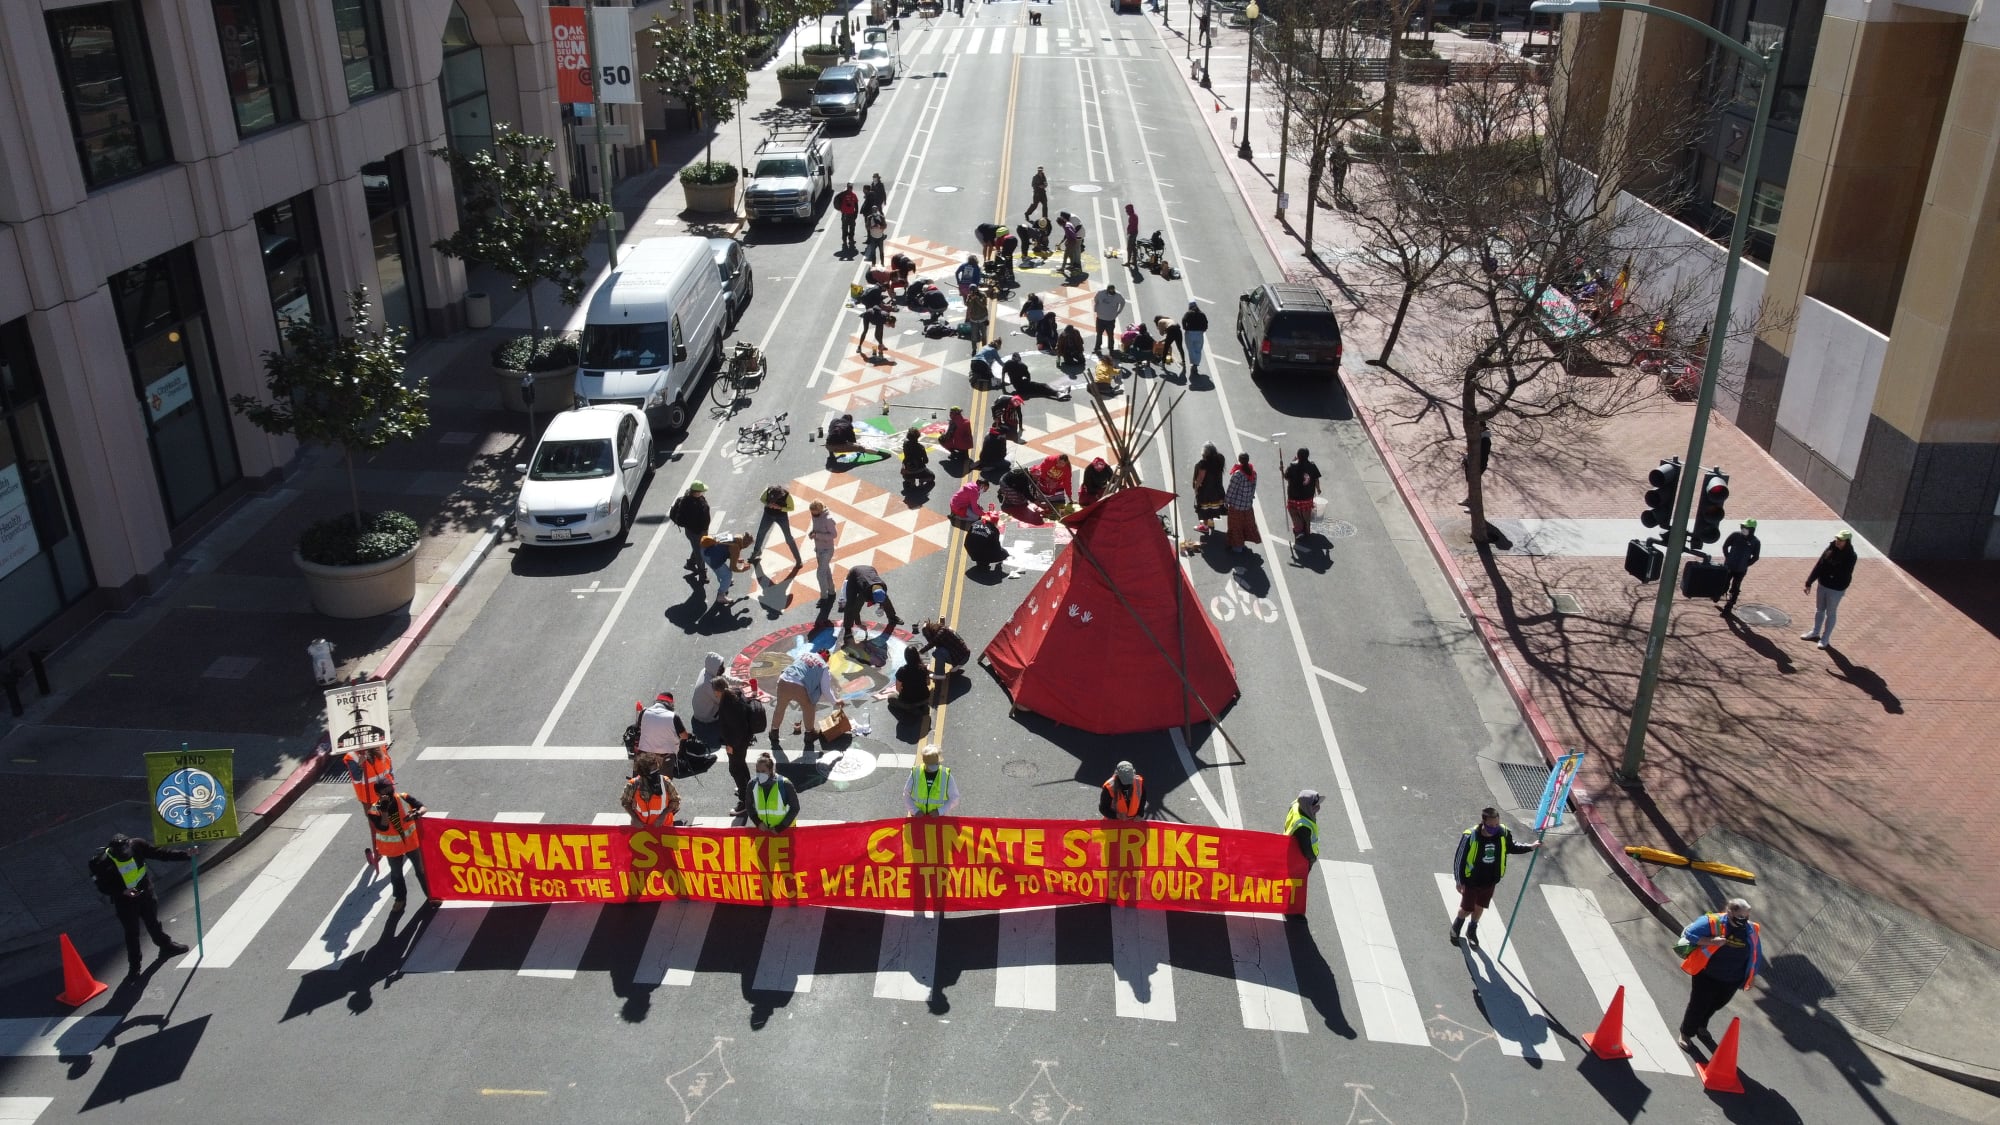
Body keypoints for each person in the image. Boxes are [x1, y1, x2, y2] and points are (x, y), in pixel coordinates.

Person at [90, 833, 193, 979]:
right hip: (124, 902)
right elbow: (102, 887)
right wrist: (122, 891)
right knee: (132, 933)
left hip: (145, 893)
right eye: (121, 854)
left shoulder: (137, 845)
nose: (125, 855)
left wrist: (186, 854)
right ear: (112, 851)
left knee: (153, 923)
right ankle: (134, 966)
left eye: (127, 852)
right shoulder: (101, 863)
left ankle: (165, 945)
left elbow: (161, 854)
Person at [1675, 898, 1765, 1051]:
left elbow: (1756, 953)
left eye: (1746, 916)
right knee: (1698, 1005)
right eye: (1740, 916)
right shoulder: (1712, 922)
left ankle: (1701, 1026)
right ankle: (1686, 1033)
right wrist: (1711, 941)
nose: (1743, 920)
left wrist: (1753, 975)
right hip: (1707, 975)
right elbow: (1689, 934)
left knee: (1716, 1004)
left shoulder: (1751, 929)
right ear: (1729, 912)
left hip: (1732, 980)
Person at [1449, 807, 1540, 947]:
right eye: (1491, 825)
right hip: (1472, 881)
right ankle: (1456, 926)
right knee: (1467, 908)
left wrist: (1530, 847)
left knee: (1480, 907)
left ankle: (1471, 930)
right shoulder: (1470, 836)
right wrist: (1459, 881)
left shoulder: (1503, 833)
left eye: (1496, 824)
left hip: (1490, 881)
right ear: (1483, 822)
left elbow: (1512, 847)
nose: (1494, 827)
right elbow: (1459, 860)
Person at [366, 779, 429, 909]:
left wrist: (417, 813)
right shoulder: (374, 810)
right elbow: (383, 827)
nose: (390, 791)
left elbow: (423, 807)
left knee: (421, 870)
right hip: (393, 849)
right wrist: (384, 811)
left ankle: (431, 894)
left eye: (391, 788)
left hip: (411, 843)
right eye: (385, 791)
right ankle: (400, 898)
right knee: (396, 874)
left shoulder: (404, 797)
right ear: (378, 794)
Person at [771, 650, 835, 750]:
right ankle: (809, 734)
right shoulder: (824, 667)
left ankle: (774, 732)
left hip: (784, 679)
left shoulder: (805, 654)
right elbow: (826, 690)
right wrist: (836, 702)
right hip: (799, 685)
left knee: (780, 708)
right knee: (809, 707)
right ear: (827, 659)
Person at [1802, 530, 1856, 648]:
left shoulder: (1851, 556)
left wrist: (1831, 569)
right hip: (1823, 585)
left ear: (1847, 541)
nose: (1838, 542)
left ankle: (1825, 638)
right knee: (1819, 609)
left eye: (1841, 540)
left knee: (1831, 613)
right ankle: (1815, 632)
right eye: (1837, 539)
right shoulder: (1830, 549)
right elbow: (1819, 565)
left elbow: (1844, 572)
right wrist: (1809, 581)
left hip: (1836, 589)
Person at [714, 677, 757, 816]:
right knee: (741, 764)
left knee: (735, 769)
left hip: (736, 743)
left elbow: (736, 727)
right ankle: (748, 788)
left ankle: (744, 801)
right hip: (744, 740)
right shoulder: (736, 694)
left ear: (717, 691)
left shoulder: (727, 704)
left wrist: (731, 744)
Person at [841, 562, 901, 643]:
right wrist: (859, 624)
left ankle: (892, 617)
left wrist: (881, 606)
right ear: (871, 596)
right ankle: (847, 630)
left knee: (886, 600)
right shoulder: (864, 590)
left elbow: (883, 599)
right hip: (854, 576)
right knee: (851, 604)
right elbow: (856, 609)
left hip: (869, 570)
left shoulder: (883, 587)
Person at [622, 752, 681, 829]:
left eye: (657, 768)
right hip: (641, 828)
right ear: (643, 773)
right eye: (653, 770)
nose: (656, 772)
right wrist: (634, 819)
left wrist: (663, 816)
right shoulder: (633, 785)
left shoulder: (665, 782)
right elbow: (625, 802)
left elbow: (676, 800)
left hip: (664, 827)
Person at [634, 690, 692, 766]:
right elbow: (684, 736)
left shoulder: (644, 712)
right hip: (667, 756)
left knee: (642, 775)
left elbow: (638, 728)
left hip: (645, 753)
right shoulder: (674, 716)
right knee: (665, 775)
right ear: (670, 704)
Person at [750, 483, 802, 566]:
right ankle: (756, 552)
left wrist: (780, 508)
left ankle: (798, 560)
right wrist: (768, 504)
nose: (773, 501)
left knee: (788, 538)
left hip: (781, 517)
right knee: (761, 533)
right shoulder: (768, 490)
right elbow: (762, 499)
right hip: (768, 515)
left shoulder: (787, 496)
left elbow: (791, 508)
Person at [668, 480, 712, 577]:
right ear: (695, 492)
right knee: (700, 552)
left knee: (699, 548)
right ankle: (702, 573)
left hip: (700, 531)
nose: (702, 493)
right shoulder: (689, 504)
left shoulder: (697, 499)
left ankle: (691, 563)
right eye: (701, 491)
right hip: (695, 532)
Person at [748, 752, 800, 833]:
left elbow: (795, 808)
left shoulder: (785, 784)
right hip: (764, 832)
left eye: (763, 771)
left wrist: (780, 828)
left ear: (770, 770)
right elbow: (749, 806)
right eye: (757, 771)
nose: (759, 774)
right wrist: (758, 823)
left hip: (785, 831)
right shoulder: (752, 784)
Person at [1719, 518, 1761, 613]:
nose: (1743, 529)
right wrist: (1728, 557)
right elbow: (1725, 546)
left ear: (1752, 530)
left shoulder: (1755, 542)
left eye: (1746, 527)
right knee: (1724, 583)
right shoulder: (1735, 535)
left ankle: (1729, 605)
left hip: (1740, 570)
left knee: (1735, 587)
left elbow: (1756, 557)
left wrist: (1746, 563)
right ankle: (1718, 593)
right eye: (1742, 527)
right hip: (1729, 566)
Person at [701, 531, 753, 604]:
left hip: (705, 549)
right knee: (728, 575)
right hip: (710, 556)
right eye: (748, 545)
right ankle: (721, 595)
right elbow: (733, 568)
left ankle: (724, 582)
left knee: (721, 570)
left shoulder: (732, 536)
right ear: (746, 544)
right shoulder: (736, 547)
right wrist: (743, 569)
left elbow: (724, 549)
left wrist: (736, 559)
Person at [905, 747, 960, 815]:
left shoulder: (946, 775)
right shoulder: (915, 773)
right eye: (929, 764)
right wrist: (915, 811)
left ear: (938, 760)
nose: (932, 768)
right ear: (923, 761)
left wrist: (940, 811)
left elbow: (954, 798)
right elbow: (906, 794)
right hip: (918, 818)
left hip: (939, 818)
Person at [1225, 453, 1261, 553]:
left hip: (1236, 506)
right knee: (1245, 525)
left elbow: (1231, 490)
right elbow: (1253, 488)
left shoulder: (1238, 474)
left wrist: (1226, 501)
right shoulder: (1253, 472)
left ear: (1239, 460)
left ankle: (1237, 546)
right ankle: (1242, 543)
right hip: (1247, 506)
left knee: (1235, 526)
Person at [1282, 448, 1321, 538]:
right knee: (1306, 516)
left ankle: (1299, 531)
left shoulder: (1292, 466)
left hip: (1293, 496)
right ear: (1308, 456)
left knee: (1295, 514)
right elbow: (1316, 479)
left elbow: (1287, 478)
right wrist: (1318, 489)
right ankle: (1307, 531)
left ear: (1297, 456)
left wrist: (1283, 470)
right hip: (1307, 497)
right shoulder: (1312, 465)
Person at [918, 617, 972, 682]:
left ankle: (940, 675)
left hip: (962, 657)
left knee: (938, 652)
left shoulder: (940, 634)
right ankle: (957, 665)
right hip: (964, 654)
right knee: (939, 649)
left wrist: (919, 652)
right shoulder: (943, 629)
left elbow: (931, 644)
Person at [887, 647, 934, 719]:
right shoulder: (923, 668)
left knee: (890, 698)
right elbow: (928, 683)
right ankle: (922, 705)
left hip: (909, 700)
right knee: (919, 698)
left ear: (906, 657)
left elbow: (898, 689)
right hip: (925, 697)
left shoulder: (902, 671)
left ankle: (911, 709)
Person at [1192, 443, 1227, 534]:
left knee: (1205, 509)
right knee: (1213, 507)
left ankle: (1205, 526)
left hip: (1206, 491)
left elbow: (1200, 478)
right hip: (1217, 489)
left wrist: (1196, 488)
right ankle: (1210, 521)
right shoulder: (1220, 460)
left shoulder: (1203, 464)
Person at [689, 651, 732, 724]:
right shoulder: (709, 685)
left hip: (700, 709)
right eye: (720, 667)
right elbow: (723, 700)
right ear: (714, 668)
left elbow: (724, 678)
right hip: (706, 715)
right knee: (730, 708)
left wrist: (739, 682)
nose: (723, 668)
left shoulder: (707, 671)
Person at [808, 500, 840, 600]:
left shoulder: (828, 519)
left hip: (827, 550)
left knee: (820, 574)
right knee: (826, 571)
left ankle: (824, 597)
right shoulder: (815, 516)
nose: (812, 514)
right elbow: (817, 528)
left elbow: (834, 535)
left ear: (820, 510)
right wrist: (812, 532)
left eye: (814, 512)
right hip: (819, 548)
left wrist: (818, 535)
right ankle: (831, 590)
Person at [1005, 352, 1069, 401]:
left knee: (1040, 391)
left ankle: (1061, 392)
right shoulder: (1022, 366)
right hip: (1023, 386)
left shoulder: (1007, 364)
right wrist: (1027, 382)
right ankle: (1057, 394)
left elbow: (1003, 373)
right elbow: (1028, 377)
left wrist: (1004, 387)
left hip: (1017, 387)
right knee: (1043, 387)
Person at [1284, 790, 1322, 861]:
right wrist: (1313, 858)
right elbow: (1307, 851)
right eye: (1315, 805)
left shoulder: (1296, 804)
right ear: (1307, 807)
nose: (1318, 807)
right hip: (1297, 856)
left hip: (1288, 838)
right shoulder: (1304, 827)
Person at [1092, 284, 1127, 354]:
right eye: (1110, 291)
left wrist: (1119, 311)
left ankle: (1111, 348)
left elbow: (1123, 302)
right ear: (1107, 290)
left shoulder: (1117, 296)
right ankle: (1097, 347)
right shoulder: (1100, 293)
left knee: (1110, 335)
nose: (1112, 293)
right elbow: (1096, 299)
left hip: (1110, 320)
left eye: (1113, 291)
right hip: (1100, 318)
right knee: (1099, 334)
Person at [1182, 300, 1209, 377]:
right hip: (1199, 334)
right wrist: (1203, 330)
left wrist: (1185, 328)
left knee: (1191, 349)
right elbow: (1206, 323)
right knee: (1198, 349)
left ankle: (1193, 363)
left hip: (1190, 333)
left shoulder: (1188, 313)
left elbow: (1183, 320)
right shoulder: (1202, 314)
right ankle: (1195, 365)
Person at [963, 284, 990, 352]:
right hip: (974, 320)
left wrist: (977, 299)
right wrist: (972, 299)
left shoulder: (982, 295)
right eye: (971, 291)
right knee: (974, 336)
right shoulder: (969, 296)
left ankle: (984, 349)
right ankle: (974, 348)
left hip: (982, 318)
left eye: (974, 291)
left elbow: (983, 305)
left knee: (984, 335)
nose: (972, 292)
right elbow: (968, 306)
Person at [834, 182, 860, 249]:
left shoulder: (854, 195)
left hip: (852, 215)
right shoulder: (843, 195)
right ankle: (844, 240)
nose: (850, 189)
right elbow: (836, 199)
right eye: (849, 187)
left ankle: (851, 239)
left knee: (852, 228)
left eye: (851, 187)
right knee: (844, 228)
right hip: (845, 215)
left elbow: (856, 205)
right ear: (847, 187)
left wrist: (856, 213)